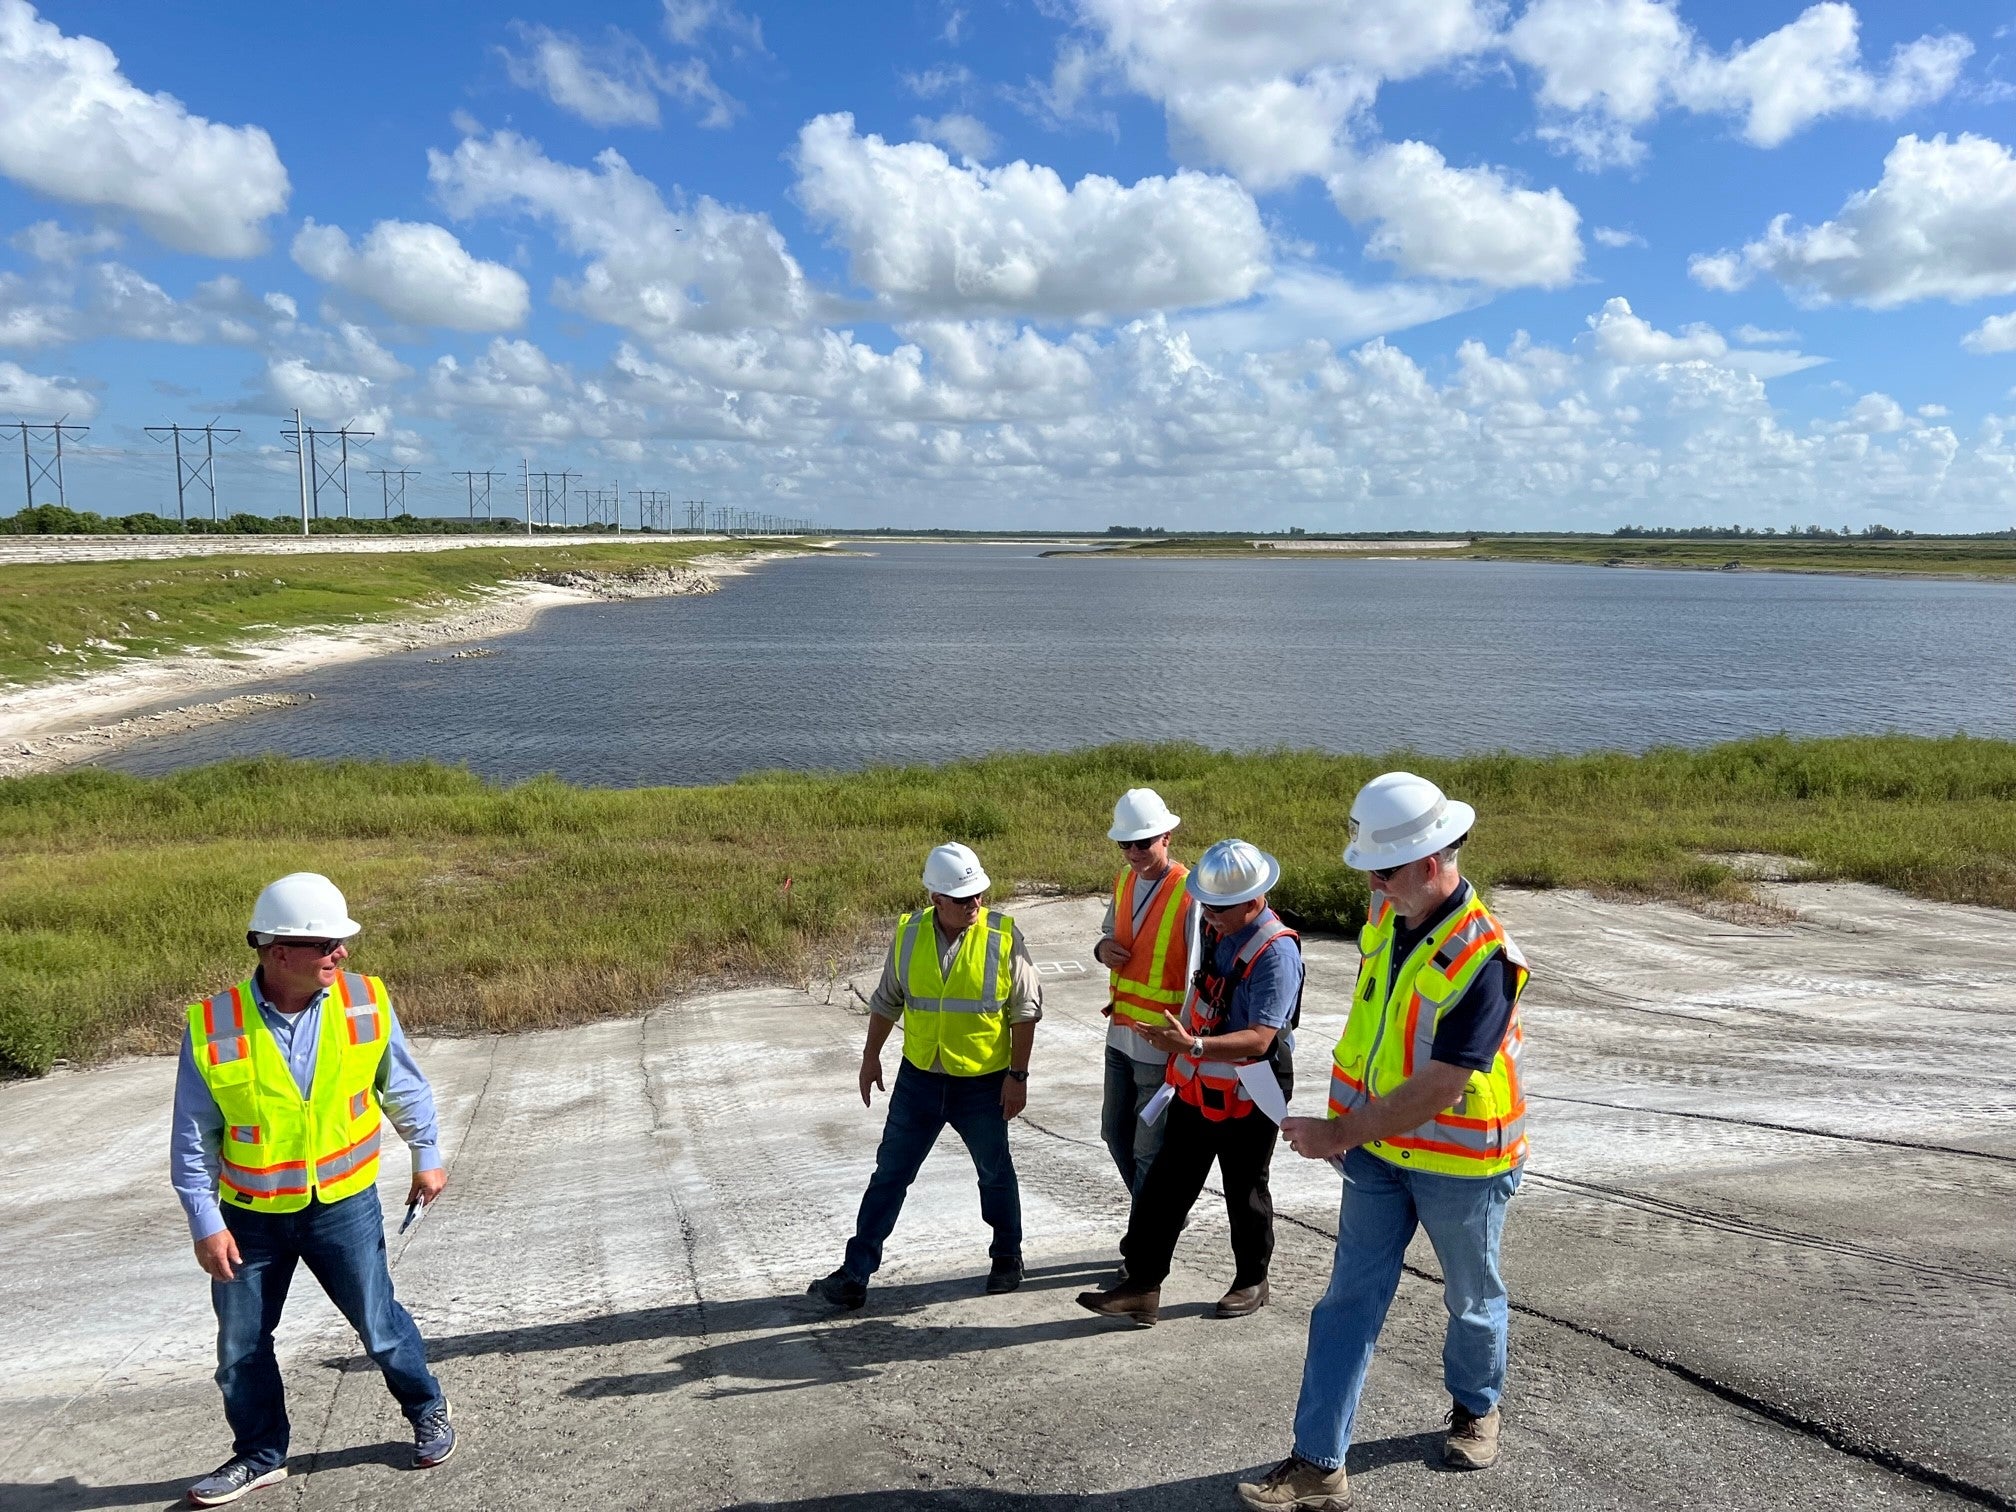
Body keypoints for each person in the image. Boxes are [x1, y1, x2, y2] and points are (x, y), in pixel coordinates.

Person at [1240, 773, 1531, 1512]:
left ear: (1432, 863)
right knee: (1346, 1305)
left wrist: (1339, 1129)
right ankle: (1317, 1463)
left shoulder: (1484, 958)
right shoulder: (1389, 909)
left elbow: (1441, 1083)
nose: (1370, 882)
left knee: (1471, 1299)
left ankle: (1476, 1407)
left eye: (1384, 869)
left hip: (1463, 1164)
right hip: (1376, 1157)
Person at [170, 873, 455, 1508]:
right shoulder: (212, 1026)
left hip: (343, 1206)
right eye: (327, 943)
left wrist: (426, 1153)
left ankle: (427, 1408)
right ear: (277, 952)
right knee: (240, 1348)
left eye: (341, 942)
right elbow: (194, 1136)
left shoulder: (364, 1002)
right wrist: (202, 1219)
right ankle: (260, 1455)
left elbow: (400, 1085)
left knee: (378, 1326)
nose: (342, 953)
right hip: (248, 1218)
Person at [1076, 838, 1302, 1327]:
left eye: (1220, 909)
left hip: (1252, 1088)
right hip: (1199, 1082)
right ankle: (1141, 1286)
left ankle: (1251, 1280)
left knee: (1244, 1188)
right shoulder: (1216, 927)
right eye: (1209, 906)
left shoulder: (1275, 954)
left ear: (1253, 899)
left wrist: (1192, 1047)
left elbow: (1261, 1039)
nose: (1210, 916)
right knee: (1164, 1184)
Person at [809, 842, 1042, 1310]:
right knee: (890, 1175)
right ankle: (856, 1273)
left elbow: (1025, 1011)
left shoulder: (1002, 935)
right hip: (919, 1079)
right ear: (935, 897)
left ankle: (1006, 1257)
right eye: (962, 898)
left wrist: (1017, 1076)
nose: (974, 904)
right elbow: (887, 999)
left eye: (979, 894)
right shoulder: (910, 933)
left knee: (995, 1173)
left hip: (982, 1082)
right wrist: (870, 1056)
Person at [1091, 788, 1194, 1199]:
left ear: (1166, 837)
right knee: (1114, 1133)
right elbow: (1107, 933)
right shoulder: (1124, 881)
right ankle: (1160, 1219)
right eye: (1125, 844)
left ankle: (1143, 1248)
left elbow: (1197, 974)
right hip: (1120, 1035)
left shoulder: (1190, 893)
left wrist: (1186, 1042)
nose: (1133, 851)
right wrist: (1101, 950)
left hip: (1158, 1046)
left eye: (1143, 842)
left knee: (1147, 1151)